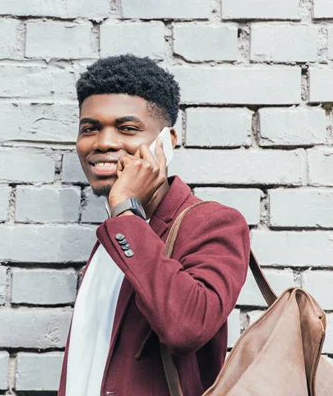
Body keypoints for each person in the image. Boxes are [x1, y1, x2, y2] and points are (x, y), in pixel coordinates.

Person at [58, 55, 251, 395]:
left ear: (167, 141)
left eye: (127, 128)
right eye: (90, 128)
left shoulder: (213, 224)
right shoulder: (114, 232)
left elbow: (187, 327)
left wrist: (126, 212)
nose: (103, 142)